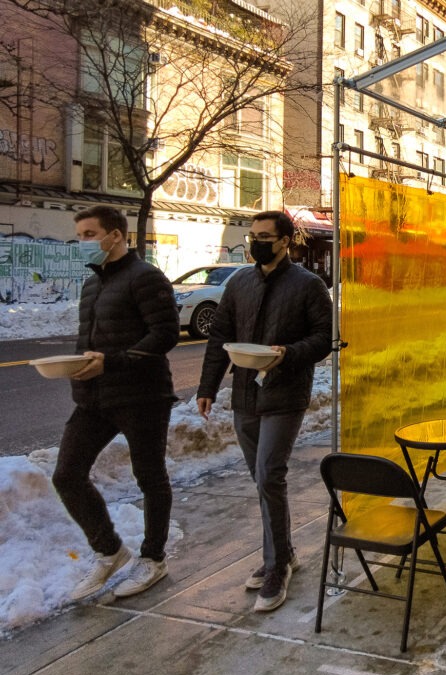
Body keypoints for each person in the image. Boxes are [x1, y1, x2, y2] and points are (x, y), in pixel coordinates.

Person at [197, 210, 332, 612]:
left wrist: (288, 354)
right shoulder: (239, 282)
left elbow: (324, 338)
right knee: (260, 477)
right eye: (252, 235)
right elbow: (221, 335)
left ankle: (276, 566)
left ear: (285, 241)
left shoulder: (308, 285)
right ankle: (284, 552)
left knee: (270, 473)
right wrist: (207, 386)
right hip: (245, 394)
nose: (255, 242)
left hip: (285, 392)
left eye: (264, 236)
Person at [53, 206, 180, 601]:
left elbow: (166, 334)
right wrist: (76, 367)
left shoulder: (146, 277)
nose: (83, 243)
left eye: (89, 234)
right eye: (79, 235)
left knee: (150, 477)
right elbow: (88, 339)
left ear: (116, 236)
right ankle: (109, 549)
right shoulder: (92, 283)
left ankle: (153, 558)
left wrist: (113, 361)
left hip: (142, 396)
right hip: (94, 397)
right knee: (66, 475)